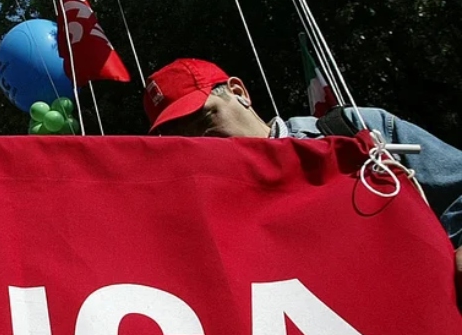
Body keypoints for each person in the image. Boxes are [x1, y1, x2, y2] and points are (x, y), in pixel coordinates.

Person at [145, 58, 462, 267]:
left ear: (238, 91)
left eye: (203, 115)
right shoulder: (204, 211)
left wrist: (449, 257)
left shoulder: (356, 130)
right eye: (180, 135)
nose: (200, 137)